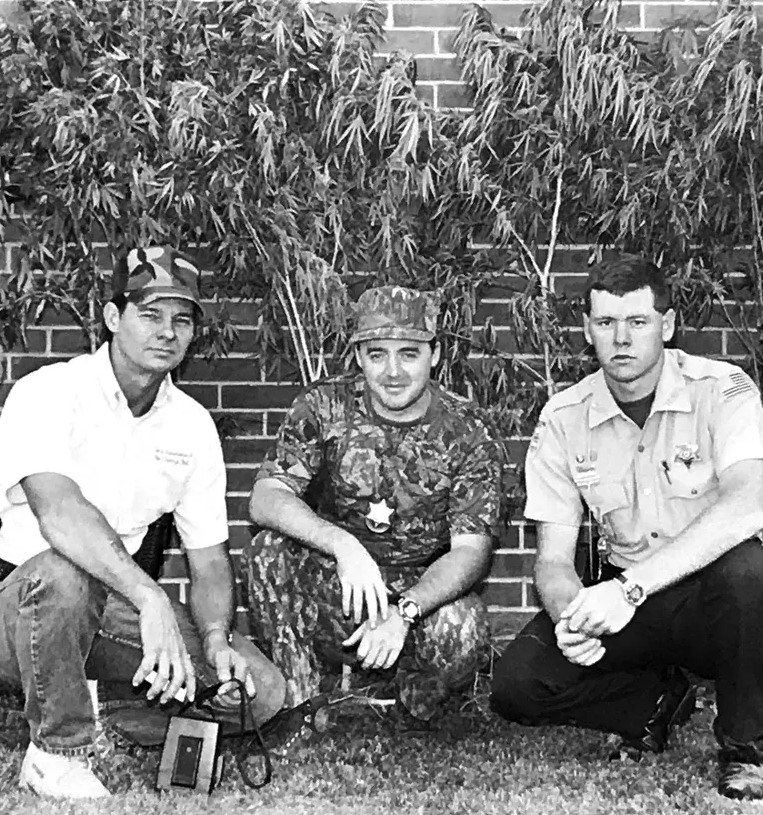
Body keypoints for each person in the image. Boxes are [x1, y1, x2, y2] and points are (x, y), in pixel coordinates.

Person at [0, 245, 285, 799]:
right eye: (150, 314)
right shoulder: (48, 392)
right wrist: (150, 597)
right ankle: (56, 754)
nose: (167, 332)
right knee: (67, 571)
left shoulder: (192, 426)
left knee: (260, 690)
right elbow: (61, 515)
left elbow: (210, 561)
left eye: (182, 320)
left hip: (113, 611)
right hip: (12, 606)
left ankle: (108, 710)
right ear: (114, 317)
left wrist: (214, 640)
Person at [490, 255, 763, 800]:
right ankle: (655, 702)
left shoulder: (721, 388)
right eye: (606, 322)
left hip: (717, 601)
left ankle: (746, 748)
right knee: (518, 684)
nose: (621, 338)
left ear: (667, 324)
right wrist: (571, 618)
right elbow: (553, 559)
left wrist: (628, 590)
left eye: (637, 322)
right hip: (630, 602)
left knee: (750, 572)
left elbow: (749, 502)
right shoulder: (564, 416)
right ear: (588, 329)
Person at [246, 286, 501, 728]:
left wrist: (406, 611)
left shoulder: (468, 429)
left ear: (435, 355)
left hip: (421, 593)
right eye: (377, 354)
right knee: (267, 552)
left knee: (462, 628)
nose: (393, 371)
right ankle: (302, 706)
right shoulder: (324, 406)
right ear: (359, 357)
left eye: (409, 354)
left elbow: (471, 551)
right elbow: (266, 497)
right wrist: (342, 545)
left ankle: (406, 703)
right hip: (342, 585)